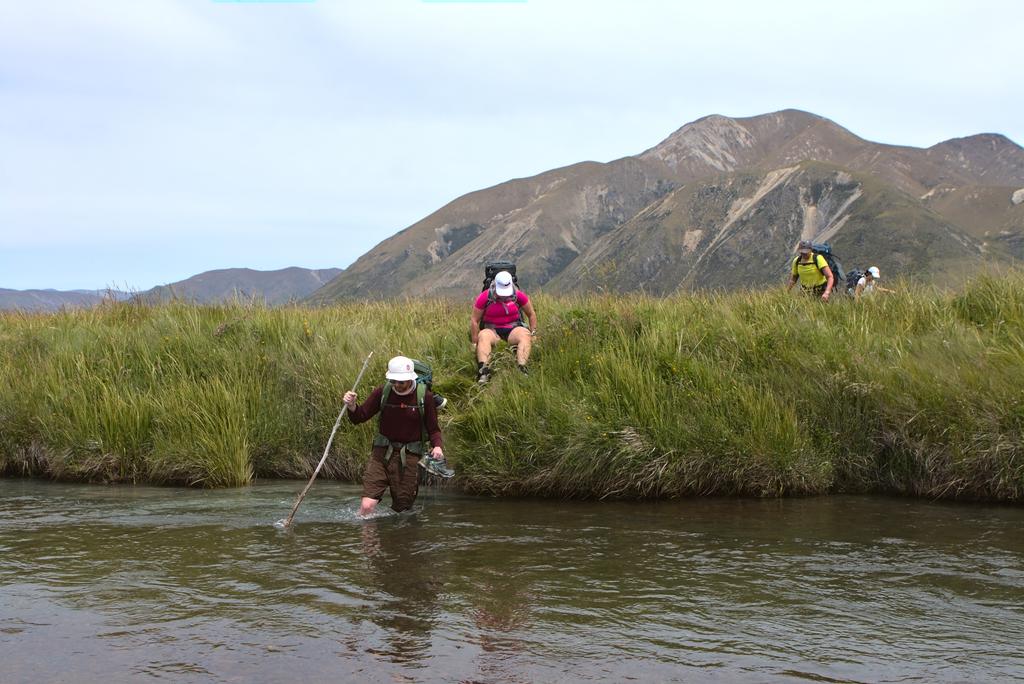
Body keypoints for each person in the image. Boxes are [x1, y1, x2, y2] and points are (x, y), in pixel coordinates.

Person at [344, 355, 444, 516]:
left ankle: (397, 539)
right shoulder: (382, 392)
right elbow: (359, 417)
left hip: (409, 457)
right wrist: (352, 406)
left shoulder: (425, 397)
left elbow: (433, 429)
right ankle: (368, 541)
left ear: (411, 379)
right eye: (393, 381)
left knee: (402, 510)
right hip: (381, 454)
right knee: (367, 505)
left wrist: (438, 446)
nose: (397, 385)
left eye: (401, 382)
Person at [470, 270, 538, 382]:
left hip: (513, 329)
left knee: (525, 335)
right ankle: (484, 371)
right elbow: (474, 320)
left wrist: (533, 333)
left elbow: (531, 313)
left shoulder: (517, 295)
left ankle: (522, 368)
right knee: (483, 336)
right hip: (492, 330)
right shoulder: (485, 297)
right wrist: (474, 341)